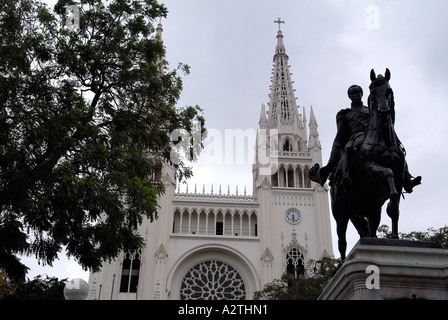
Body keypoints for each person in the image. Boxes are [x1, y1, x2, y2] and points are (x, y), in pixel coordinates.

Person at [313, 84, 420, 192]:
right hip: (355, 137)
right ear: (349, 96)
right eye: (353, 93)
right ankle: (345, 176)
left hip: (374, 136)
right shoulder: (345, 114)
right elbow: (340, 135)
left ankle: (406, 179)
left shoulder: (370, 111)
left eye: (357, 93)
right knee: (347, 149)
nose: (355, 95)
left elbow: (382, 124)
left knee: (397, 151)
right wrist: (331, 162)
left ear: (361, 94)